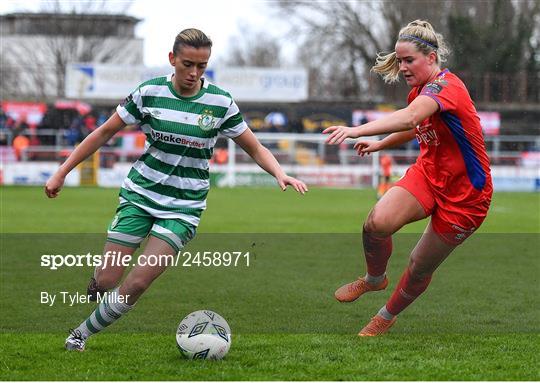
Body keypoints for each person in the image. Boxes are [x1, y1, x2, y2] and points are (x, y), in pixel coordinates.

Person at [45, 28, 308, 351]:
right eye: (188, 64)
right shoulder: (148, 93)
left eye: (202, 66)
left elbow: (254, 147)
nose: (194, 73)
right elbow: (103, 133)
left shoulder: (220, 102)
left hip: (183, 207)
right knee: (107, 280)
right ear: (172, 59)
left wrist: (279, 173)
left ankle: (80, 334)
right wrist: (62, 171)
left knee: (140, 280)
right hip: (140, 196)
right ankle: (98, 285)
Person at [323, 20, 492, 336]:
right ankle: (375, 279)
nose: (401, 67)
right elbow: (417, 127)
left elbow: (413, 116)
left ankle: (385, 316)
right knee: (377, 222)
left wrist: (356, 129)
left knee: (419, 265)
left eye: (408, 60)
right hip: (429, 175)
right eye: (399, 61)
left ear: (431, 57)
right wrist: (379, 144)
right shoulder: (419, 91)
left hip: (467, 196)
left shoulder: (447, 87)